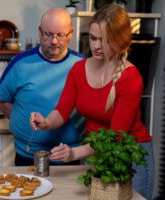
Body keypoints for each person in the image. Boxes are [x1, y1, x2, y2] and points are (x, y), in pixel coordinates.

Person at [30, 4, 154, 200]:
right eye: (93, 38)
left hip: (130, 157)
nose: (95, 46)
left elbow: (115, 137)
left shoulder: (130, 78)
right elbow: (61, 111)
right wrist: (45, 122)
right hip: (91, 153)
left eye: (104, 40)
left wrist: (73, 153)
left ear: (119, 41)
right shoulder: (79, 70)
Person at [0, 7, 85, 166]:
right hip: (27, 156)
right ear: (39, 32)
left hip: (70, 156)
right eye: (49, 34)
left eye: (60, 35)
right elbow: (2, 101)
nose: (54, 41)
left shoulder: (83, 65)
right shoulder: (20, 63)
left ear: (70, 34)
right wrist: (21, 121)